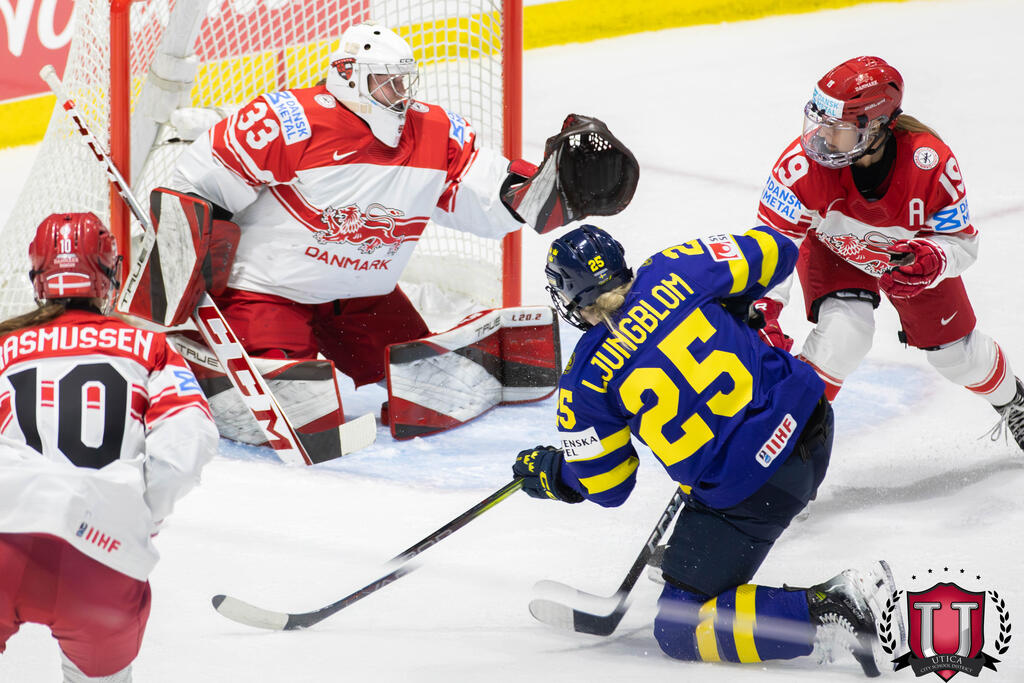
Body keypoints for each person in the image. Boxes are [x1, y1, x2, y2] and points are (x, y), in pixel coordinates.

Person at [513, 224, 896, 675]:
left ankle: (831, 609)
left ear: (571, 297)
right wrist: (736, 301)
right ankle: (691, 556)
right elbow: (778, 250)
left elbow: (608, 486)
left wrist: (556, 474)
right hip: (811, 422)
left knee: (679, 628)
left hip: (757, 491)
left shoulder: (583, 380)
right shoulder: (676, 268)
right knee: (710, 492)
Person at [168, 20, 539, 388]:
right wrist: (190, 262)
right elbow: (202, 181)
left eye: (403, 81)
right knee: (292, 393)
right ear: (349, 76)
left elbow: (481, 187)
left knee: (426, 381)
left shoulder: (431, 129)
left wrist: (533, 190)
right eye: (388, 82)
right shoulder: (290, 120)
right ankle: (211, 358)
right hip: (269, 294)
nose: (400, 93)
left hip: (361, 297)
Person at [753, 55, 1024, 448]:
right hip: (835, 249)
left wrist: (934, 259)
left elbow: (964, 244)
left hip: (908, 257)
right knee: (845, 334)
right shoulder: (800, 167)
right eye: (821, 122)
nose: (822, 137)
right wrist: (763, 309)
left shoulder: (930, 164)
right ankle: (789, 437)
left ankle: (1014, 402)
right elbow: (770, 247)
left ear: (876, 126)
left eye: (838, 128)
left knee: (958, 358)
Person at [0, 214, 219, 682]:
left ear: (38, 275)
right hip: (102, 554)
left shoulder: (3, 346)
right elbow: (186, 447)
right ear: (111, 273)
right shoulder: (150, 347)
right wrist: (135, 517)